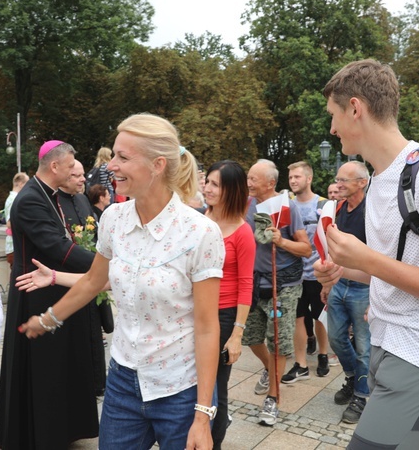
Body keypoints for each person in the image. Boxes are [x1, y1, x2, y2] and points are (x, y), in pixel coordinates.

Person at [18, 114, 224, 450]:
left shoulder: (200, 233)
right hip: (124, 383)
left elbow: (206, 327)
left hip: (181, 390)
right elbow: (94, 282)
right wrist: (48, 319)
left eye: (123, 157)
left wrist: (202, 416)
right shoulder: (113, 219)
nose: (110, 165)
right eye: (114, 155)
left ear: (158, 165)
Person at [314, 59, 419, 448]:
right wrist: (347, 270)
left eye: (333, 115)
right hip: (394, 350)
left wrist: (367, 259)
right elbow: (399, 273)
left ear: (355, 108)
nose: (332, 128)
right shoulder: (380, 179)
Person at [0, 141, 99, 449]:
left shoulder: (50, 195)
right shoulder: (29, 199)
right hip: (36, 293)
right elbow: (57, 247)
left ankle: (63, 429)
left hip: (54, 285)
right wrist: (105, 267)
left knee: (63, 366)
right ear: (54, 167)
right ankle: (42, 434)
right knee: (45, 371)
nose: (73, 173)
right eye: (70, 167)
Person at [244, 159, 311, 426]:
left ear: (270, 183)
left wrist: (280, 240)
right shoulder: (245, 205)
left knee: (279, 342)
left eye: (253, 179)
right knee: (249, 336)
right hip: (254, 282)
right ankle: (270, 369)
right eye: (248, 177)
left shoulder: (287, 206)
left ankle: (273, 397)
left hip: (282, 285)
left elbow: (306, 248)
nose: (248, 183)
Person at [203, 160, 255, 449]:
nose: (207, 188)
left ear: (231, 191)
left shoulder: (242, 231)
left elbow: (246, 284)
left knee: (215, 388)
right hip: (194, 312)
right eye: (207, 182)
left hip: (223, 318)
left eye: (215, 184)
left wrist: (237, 334)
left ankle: (215, 444)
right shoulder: (198, 221)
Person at [323, 160, 371, 424]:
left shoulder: (372, 211)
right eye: (337, 179)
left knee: (364, 347)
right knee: (337, 339)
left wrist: (375, 296)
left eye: (343, 181)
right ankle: (353, 378)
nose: (337, 185)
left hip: (364, 287)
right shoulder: (338, 208)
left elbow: (381, 256)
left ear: (361, 183)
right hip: (339, 283)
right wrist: (327, 283)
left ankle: (362, 396)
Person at [58, 159, 107, 397]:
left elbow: (95, 233)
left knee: (94, 332)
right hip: (73, 275)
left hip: (92, 272)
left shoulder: (82, 198)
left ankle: (97, 383)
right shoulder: (55, 202)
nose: (83, 179)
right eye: (77, 176)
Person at [281, 161, 330, 384]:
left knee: (320, 317)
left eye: (297, 177)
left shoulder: (323, 204)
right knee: (298, 318)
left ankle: (322, 354)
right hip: (294, 275)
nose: (293, 181)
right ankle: (300, 364)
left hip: (318, 273)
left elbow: (331, 240)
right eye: (291, 177)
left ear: (308, 179)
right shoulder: (286, 207)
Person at [4, 172, 29, 267]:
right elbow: (10, 223)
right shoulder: (14, 199)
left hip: (15, 245)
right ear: (20, 183)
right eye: (27, 183)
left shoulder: (13, 198)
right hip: (15, 246)